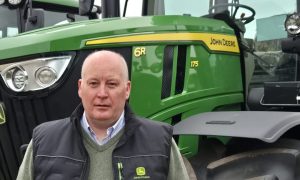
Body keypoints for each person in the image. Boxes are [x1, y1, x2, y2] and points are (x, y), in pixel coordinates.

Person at [17, 50, 189, 180]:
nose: (102, 93)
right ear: (80, 87)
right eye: (93, 83)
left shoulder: (160, 141)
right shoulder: (44, 141)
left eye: (112, 84)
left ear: (127, 89)